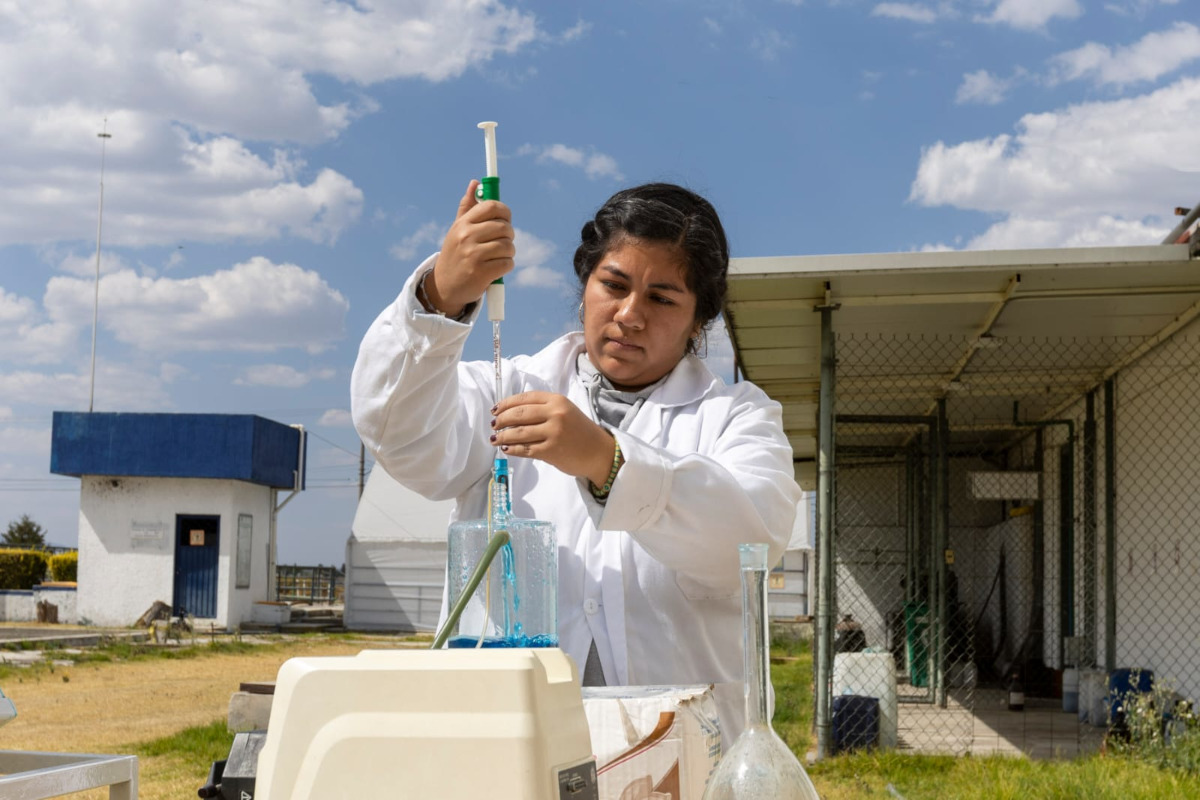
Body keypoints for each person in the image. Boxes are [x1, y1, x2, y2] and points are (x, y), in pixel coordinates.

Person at [351, 180, 799, 742]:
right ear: (585, 283)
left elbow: (747, 541)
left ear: (699, 320)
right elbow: (400, 436)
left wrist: (607, 461)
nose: (630, 315)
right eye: (613, 284)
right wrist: (440, 296)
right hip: (508, 741)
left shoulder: (738, 416)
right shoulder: (506, 387)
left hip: (680, 751)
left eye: (662, 298)